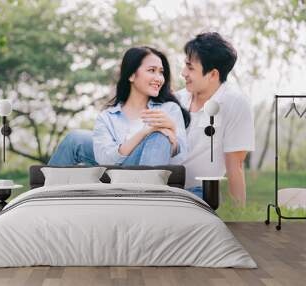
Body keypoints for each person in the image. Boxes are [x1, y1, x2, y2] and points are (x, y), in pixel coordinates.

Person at [48, 46, 189, 167]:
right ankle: (42, 195)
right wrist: (144, 132)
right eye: (152, 70)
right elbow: (106, 161)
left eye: (161, 72)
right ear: (132, 75)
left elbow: (180, 159)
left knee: (159, 136)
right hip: (116, 171)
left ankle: (145, 196)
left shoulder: (169, 109)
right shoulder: (107, 117)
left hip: (150, 177)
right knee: (75, 138)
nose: (159, 78)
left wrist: (172, 130)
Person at [172, 32, 255, 206]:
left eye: (190, 68)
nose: (183, 73)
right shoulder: (177, 100)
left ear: (213, 75)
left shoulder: (235, 103)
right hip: (164, 189)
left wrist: (237, 217)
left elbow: (236, 166)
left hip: (199, 195)